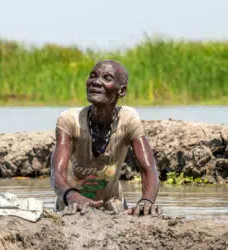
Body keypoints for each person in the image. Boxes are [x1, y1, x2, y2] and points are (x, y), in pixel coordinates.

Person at [50, 60, 160, 216]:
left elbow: (149, 169)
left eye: (106, 78)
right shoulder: (69, 120)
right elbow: (56, 174)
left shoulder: (128, 119)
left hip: (113, 205)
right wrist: (73, 196)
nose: (95, 82)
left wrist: (146, 201)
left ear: (121, 91)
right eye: (93, 76)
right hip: (71, 206)